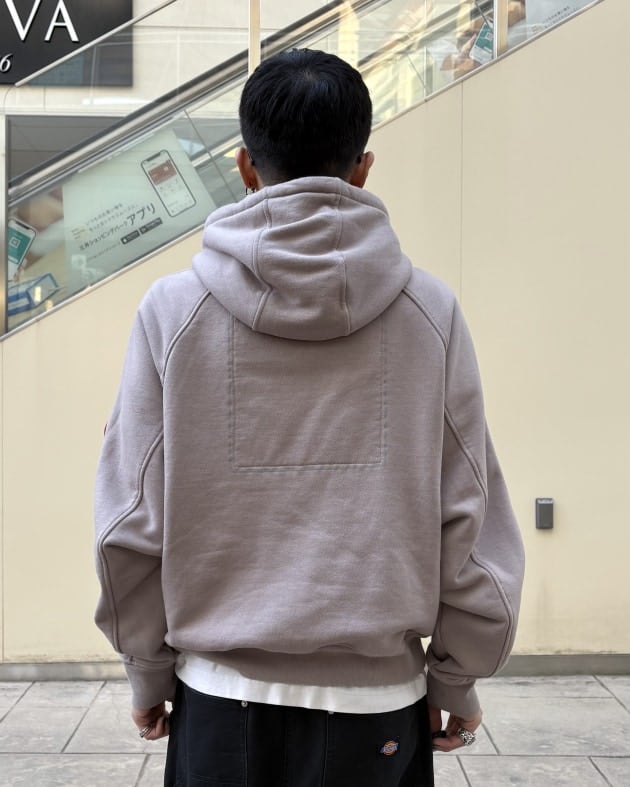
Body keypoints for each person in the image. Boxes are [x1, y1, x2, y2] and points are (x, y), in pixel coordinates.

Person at [94, 48, 525, 787]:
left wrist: (147, 669)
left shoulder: (173, 312)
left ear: (244, 166)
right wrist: (456, 678)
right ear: (363, 168)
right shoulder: (429, 313)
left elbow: (130, 521)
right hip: (378, 707)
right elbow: (470, 514)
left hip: (220, 701)